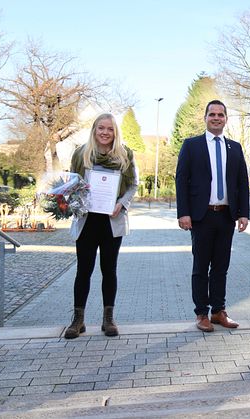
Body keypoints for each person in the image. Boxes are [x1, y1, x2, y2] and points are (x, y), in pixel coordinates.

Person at [176, 99, 249, 332]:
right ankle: (201, 314)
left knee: (221, 267)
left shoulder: (234, 148)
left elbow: (241, 183)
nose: (216, 118)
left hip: (226, 216)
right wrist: (183, 213)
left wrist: (243, 214)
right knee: (200, 267)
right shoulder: (192, 145)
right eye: (212, 114)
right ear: (205, 118)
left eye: (221, 114)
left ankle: (218, 311)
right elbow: (181, 181)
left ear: (226, 119)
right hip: (201, 216)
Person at [64, 113, 139, 339]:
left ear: (115, 132)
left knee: (109, 270)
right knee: (83, 271)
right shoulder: (81, 153)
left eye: (110, 129)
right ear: (94, 130)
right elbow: (72, 183)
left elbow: (133, 185)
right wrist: (73, 201)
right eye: (101, 128)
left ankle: (108, 319)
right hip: (87, 220)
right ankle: (78, 319)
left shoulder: (124, 155)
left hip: (111, 221)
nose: (105, 132)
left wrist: (121, 204)